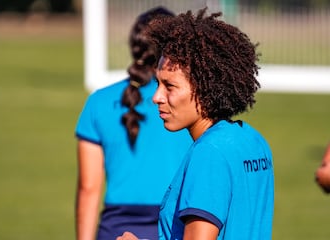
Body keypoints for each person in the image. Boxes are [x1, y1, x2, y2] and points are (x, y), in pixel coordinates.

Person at [117, 8, 274, 240]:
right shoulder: (254, 141)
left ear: (204, 88)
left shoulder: (210, 153)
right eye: (159, 84)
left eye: (169, 86)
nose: (156, 96)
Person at [75, 6, 192, 240]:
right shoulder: (189, 102)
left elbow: (89, 189)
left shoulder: (99, 102)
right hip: (175, 227)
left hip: (115, 229)